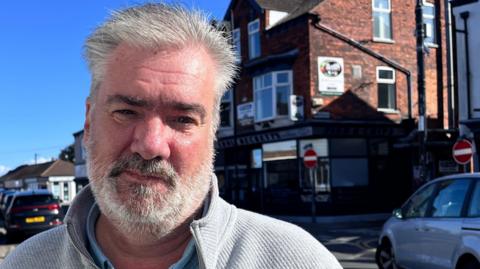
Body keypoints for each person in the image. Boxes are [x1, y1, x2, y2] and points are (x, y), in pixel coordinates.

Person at [1, 3, 342, 269]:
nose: (151, 145)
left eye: (182, 118)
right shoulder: (26, 262)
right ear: (89, 122)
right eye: (127, 112)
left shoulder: (298, 259)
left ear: (213, 133)